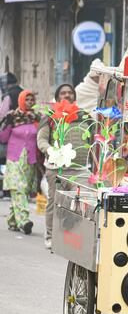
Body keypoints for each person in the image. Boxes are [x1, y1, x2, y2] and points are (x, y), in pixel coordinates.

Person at [37, 83, 90, 250]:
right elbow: (41, 140)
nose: (66, 95)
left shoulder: (83, 115)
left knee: (80, 203)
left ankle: (73, 238)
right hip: (56, 169)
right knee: (54, 202)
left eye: (70, 93)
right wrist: (51, 150)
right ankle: (51, 236)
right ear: (58, 96)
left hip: (79, 169)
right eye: (63, 93)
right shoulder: (51, 116)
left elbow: (92, 140)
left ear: (74, 96)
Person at [0, 90, 39, 234]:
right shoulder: (13, 117)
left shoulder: (37, 119)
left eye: (31, 99)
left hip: (30, 161)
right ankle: (24, 221)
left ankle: (12, 221)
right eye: (26, 99)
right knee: (19, 189)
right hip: (14, 159)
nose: (29, 102)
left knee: (22, 191)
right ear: (21, 101)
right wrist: (7, 123)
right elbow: (3, 138)